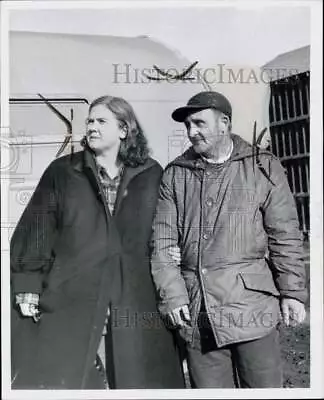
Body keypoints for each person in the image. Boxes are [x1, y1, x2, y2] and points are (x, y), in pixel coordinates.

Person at [10, 95, 185, 389]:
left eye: (101, 121)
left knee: (138, 378)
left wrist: (174, 253)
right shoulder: (63, 172)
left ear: (124, 129)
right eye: (89, 121)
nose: (91, 126)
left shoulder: (151, 173)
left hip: (134, 295)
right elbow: (36, 229)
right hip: (73, 292)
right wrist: (27, 285)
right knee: (67, 379)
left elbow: (167, 226)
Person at [150, 91, 307, 388]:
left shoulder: (262, 166)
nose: (191, 132)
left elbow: (284, 234)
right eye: (187, 126)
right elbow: (162, 242)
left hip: (252, 310)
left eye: (199, 123)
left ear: (224, 123)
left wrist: (293, 292)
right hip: (199, 313)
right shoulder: (175, 175)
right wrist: (173, 295)